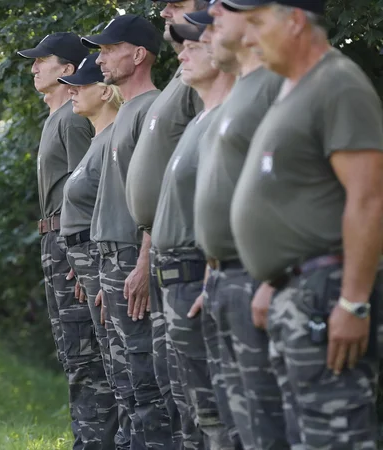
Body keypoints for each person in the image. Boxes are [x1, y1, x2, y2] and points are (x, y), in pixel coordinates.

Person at [225, 0, 383, 447]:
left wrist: (353, 302)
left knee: (333, 437)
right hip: (296, 296)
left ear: (294, 21)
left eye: (256, 23)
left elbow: (369, 198)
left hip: (326, 296)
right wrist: (274, 281)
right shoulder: (293, 89)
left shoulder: (337, 83)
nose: (248, 37)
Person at [192, 2, 296, 448]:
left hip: (257, 279)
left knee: (266, 426)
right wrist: (210, 273)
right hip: (222, 277)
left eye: (225, 11)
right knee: (239, 426)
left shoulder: (276, 84)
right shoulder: (238, 91)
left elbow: (296, 185)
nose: (212, 17)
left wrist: (277, 275)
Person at [17, 33, 120, 450]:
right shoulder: (57, 117)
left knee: (87, 354)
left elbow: (93, 189)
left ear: (67, 70)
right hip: (56, 242)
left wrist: (87, 257)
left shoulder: (75, 121)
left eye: (43, 60)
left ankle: (99, 442)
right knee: (72, 351)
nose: (33, 67)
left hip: (73, 243)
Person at [82, 14, 175, 450]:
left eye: (108, 49)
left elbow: (158, 197)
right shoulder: (122, 114)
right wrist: (107, 274)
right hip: (114, 261)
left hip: (132, 259)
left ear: (138, 55)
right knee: (125, 382)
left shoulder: (152, 109)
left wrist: (141, 263)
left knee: (145, 380)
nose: (100, 58)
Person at [124, 1, 207, 446]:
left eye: (177, 3)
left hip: (194, 254)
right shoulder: (184, 75)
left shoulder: (202, 78)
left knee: (201, 400)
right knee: (171, 384)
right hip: (166, 251)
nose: (165, 12)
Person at [151, 21, 235, 448]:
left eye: (192, 47)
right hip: (179, 279)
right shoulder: (201, 118)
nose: (180, 54)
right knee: (193, 411)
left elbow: (231, 206)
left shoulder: (226, 118)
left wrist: (211, 274)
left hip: (199, 276)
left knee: (216, 415)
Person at [56, 52, 124, 450]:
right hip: (90, 265)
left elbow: (115, 208)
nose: (73, 92)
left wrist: (97, 267)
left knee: (121, 367)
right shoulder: (98, 139)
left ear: (105, 90)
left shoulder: (113, 138)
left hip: (107, 264)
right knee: (107, 365)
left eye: (80, 84)